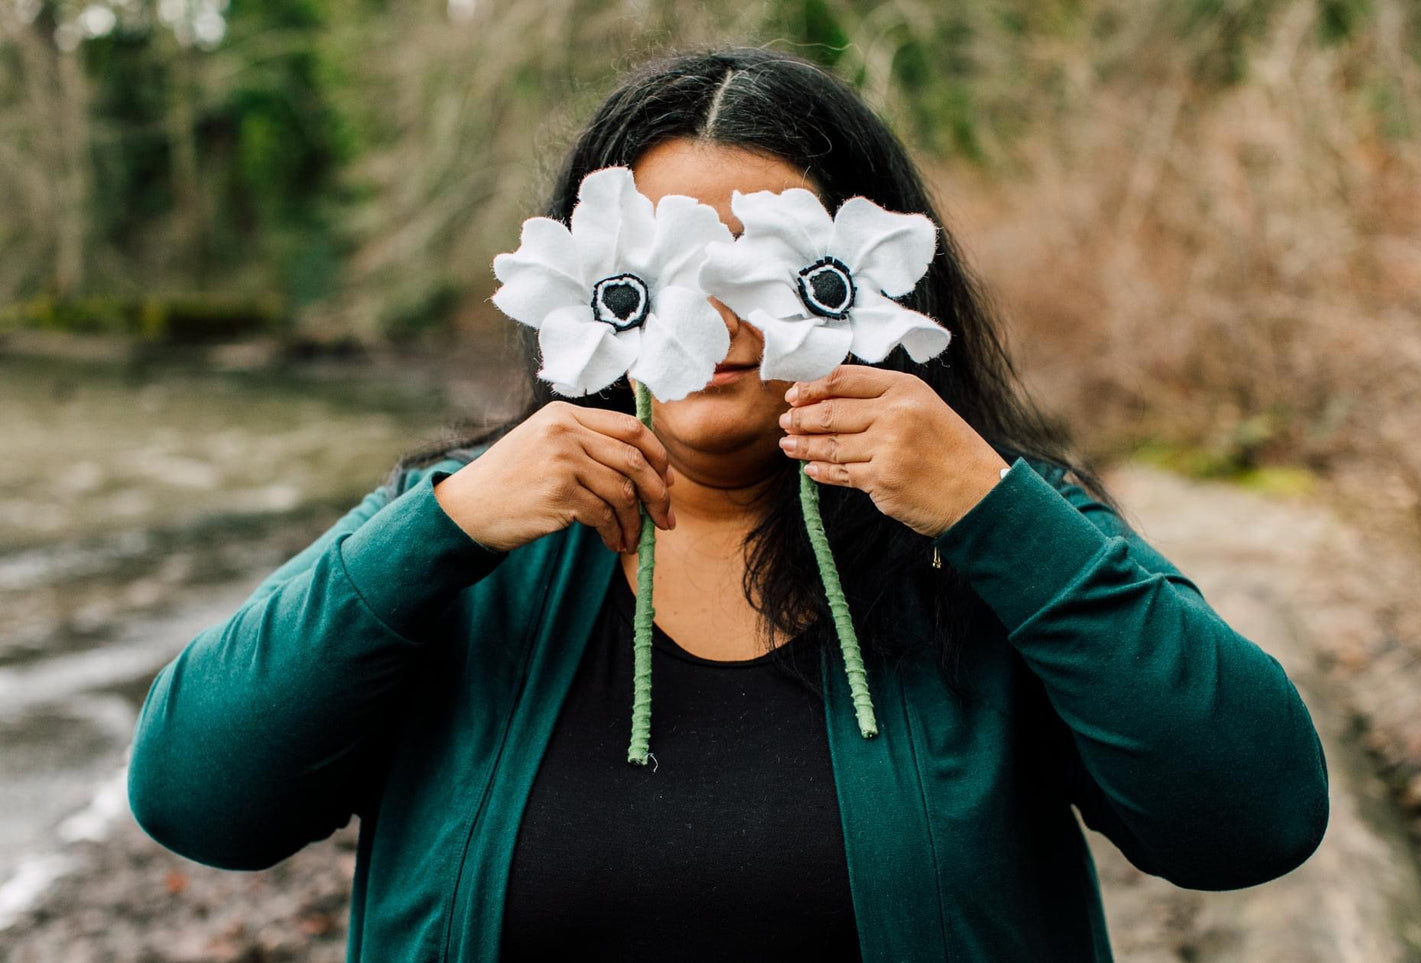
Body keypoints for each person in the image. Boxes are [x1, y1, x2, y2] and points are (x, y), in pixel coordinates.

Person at [127, 46, 1329, 961]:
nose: (717, 316)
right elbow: (199, 801)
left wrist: (995, 516)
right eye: (666, 265)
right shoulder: (464, 539)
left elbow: (1252, 820)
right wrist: (432, 533)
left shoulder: (990, 534)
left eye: (763, 258)